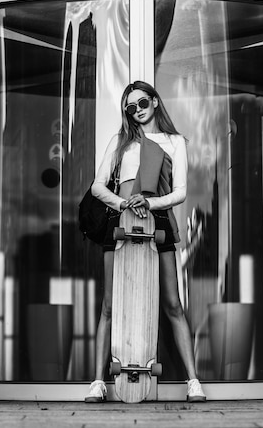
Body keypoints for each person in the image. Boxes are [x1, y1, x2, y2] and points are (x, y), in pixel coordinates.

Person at [85, 80, 206, 403]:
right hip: (120, 221)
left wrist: (148, 203)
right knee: (110, 306)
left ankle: (193, 381)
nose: (137, 111)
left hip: (157, 221)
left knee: (172, 304)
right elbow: (98, 187)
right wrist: (123, 203)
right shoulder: (120, 141)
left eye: (141, 103)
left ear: (154, 101)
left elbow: (179, 192)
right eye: (130, 107)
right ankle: (98, 381)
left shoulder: (174, 141)